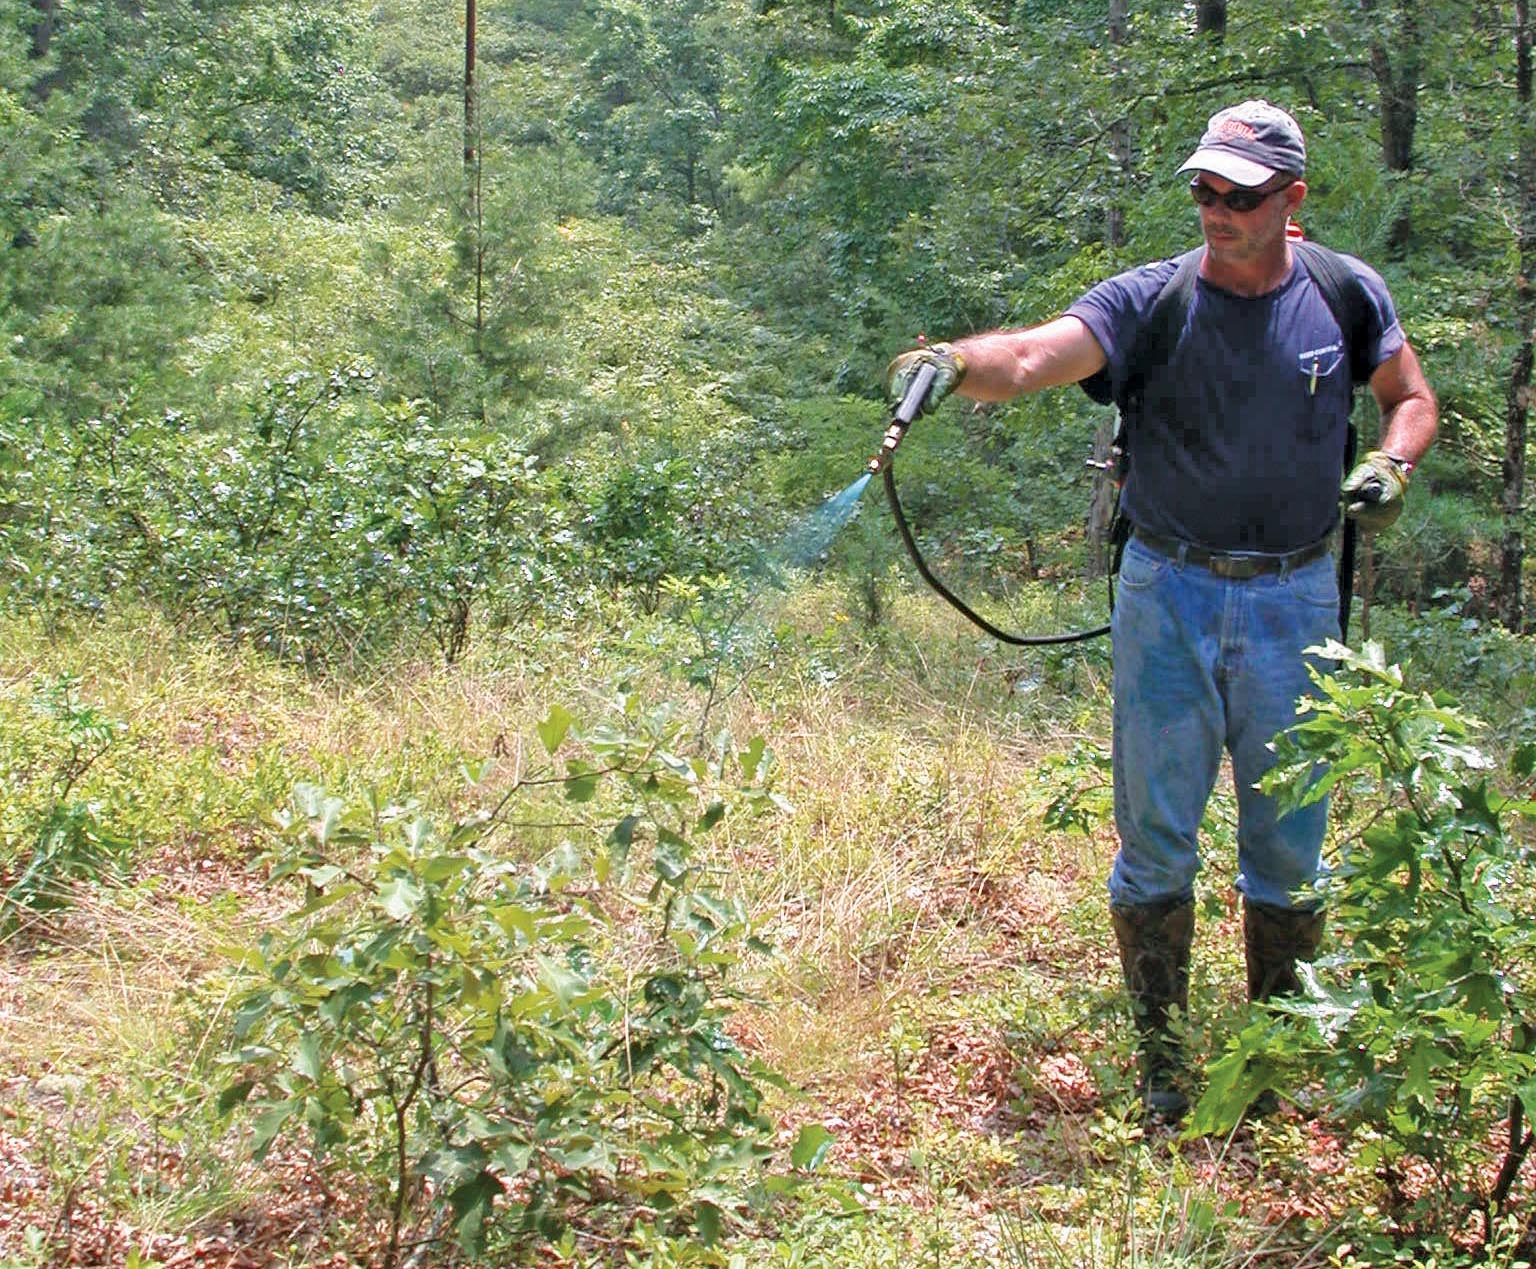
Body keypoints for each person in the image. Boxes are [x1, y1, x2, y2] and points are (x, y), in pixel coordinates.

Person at [886, 100, 1438, 1118]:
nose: (1215, 208)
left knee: (1288, 844)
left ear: (1293, 200)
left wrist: (1391, 466)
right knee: (1155, 840)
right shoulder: (1151, 301)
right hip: (1167, 593)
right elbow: (1031, 357)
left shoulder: (1346, 294)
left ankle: (1269, 1066)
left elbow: (1411, 397)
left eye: (1240, 194)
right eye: (1203, 188)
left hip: (1298, 596)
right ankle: (1166, 1068)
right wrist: (955, 363)